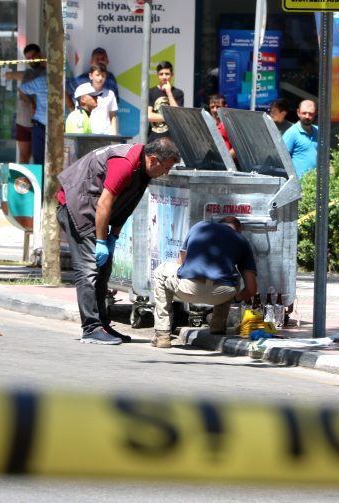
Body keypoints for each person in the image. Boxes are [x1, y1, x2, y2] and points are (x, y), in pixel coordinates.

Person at [57, 138, 181, 345]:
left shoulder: (143, 169)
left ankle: (102, 324)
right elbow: (105, 202)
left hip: (94, 209)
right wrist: (100, 241)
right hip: (77, 206)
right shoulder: (124, 164)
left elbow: (127, 204)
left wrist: (114, 235)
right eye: (166, 167)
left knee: (103, 268)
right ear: (153, 160)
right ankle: (91, 328)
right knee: (89, 269)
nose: (167, 172)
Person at [152, 216, 258, 349]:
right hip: (222, 294)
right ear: (238, 230)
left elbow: (180, 264)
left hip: (189, 288)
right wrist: (234, 298)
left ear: (220, 224)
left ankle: (162, 334)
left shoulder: (200, 226)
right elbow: (251, 289)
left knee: (160, 271)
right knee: (232, 277)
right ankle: (218, 328)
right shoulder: (242, 240)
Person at [4, 43, 46, 163]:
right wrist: (32, 102)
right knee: (24, 156)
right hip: (24, 120)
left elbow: (14, 76)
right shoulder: (28, 73)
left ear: (40, 55)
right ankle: (22, 182)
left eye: (33, 56)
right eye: (28, 58)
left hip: (40, 123)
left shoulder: (46, 73)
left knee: (40, 158)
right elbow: (20, 87)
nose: (31, 60)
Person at [148, 60, 184, 142]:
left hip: (172, 140)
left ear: (172, 75)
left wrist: (169, 93)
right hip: (153, 139)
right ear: (157, 75)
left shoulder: (178, 93)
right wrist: (169, 117)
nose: (164, 77)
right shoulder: (151, 92)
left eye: (167, 74)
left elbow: (177, 114)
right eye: (161, 74)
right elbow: (149, 116)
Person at [282, 99, 318, 178]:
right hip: (299, 184)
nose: (307, 116)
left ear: (315, 113)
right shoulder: (292, 133)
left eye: (310, 113)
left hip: (315, 183)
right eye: (304, 113)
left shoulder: (319, 132)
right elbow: (282, 158)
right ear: (298, 113)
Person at [19, 72, 47, 165]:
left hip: (59, 128)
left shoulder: (64, 80)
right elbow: (22, 90)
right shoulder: (41, 81)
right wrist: (31, 103)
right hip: (40, 126)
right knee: (39, 161)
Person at [87, 62, 118, 135]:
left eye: (103, 75)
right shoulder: (83, 91)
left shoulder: (110, 94)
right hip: (87, 135)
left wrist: (114, 135)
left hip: (106, 134)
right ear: (91, 76)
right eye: (97, 75)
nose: (100, 78)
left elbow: (112, 116)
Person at [208, 93, 234, 158]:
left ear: (225, 107)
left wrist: (224, 159)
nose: (214, 110)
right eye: (212, 107)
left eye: (218, 107)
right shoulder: (211, 125)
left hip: (231, 166)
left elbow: (238, 148)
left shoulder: (230, 125)